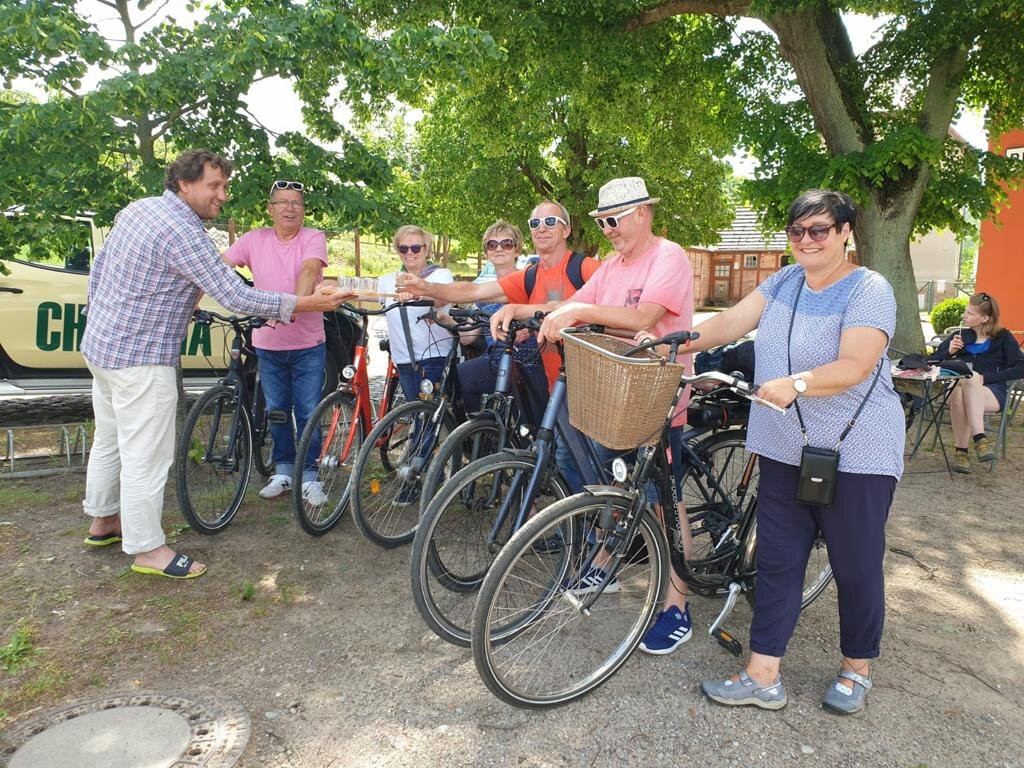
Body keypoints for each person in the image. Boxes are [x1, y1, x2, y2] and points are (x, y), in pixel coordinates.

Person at [80, 149, 350, 579]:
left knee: (111, 438)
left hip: (102, 347)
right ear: (185, 184)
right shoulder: (182, 230)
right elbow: (235, 294)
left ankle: (103, 521)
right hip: (141, 356)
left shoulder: (139, 210)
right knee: (145, 454)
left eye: (225, 185)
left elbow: (101, 269)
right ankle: (147, 548)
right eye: (215, 186)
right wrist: (303, 303)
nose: (223, 195)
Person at [688, 189, 904, 714]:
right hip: (784, 447)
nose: (806, 240)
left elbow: (855, 364)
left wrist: (797, 383)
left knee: (855, 565)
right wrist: (676, 341)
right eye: (797, 231)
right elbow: (730, 322)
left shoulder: (868, 289)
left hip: (857, 452)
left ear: (846, 232)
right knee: (779, 561)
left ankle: (857, 667)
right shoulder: (783, 281)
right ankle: (764, 675)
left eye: (819, 230)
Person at [535, 177, 695, 653]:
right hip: (620, 392)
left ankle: (676, 604)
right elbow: (573, 305)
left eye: (614, 219)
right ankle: (604, 562)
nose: (606, 229)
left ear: (643, 212)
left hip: (659, 393)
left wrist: (579, 308)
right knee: (619, 485)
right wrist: (526, 314)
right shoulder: (612, 264)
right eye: (601, 221)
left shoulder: (668, 256)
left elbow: (644, 317)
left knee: (666, 499)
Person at [399, 201, 601, 394]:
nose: (542, 228)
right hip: (552, 378)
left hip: (588, 379)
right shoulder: (529, 276)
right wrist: (425, 287)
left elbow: (610, 313)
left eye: (550, 222)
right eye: (535, 223)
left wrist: (520, 313)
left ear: (566, 230)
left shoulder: (585, 267)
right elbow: (473, 291)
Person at [222, 180, 330, 504]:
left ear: (303, 209)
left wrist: (290, 308)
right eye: (282, 202)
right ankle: (283, 470)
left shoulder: (313, 238)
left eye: (296, 202)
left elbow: (309, 271)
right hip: (267, 343)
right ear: (270, 209)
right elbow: (218, 267)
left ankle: (310, 477)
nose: (289, 208)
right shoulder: (254, 239)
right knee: (277, 410)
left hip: (308, 342)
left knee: (309, 410)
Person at [929, 292, 1024, 473]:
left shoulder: (1003, 338)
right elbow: (930, 362)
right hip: (956, 388)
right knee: (963, 382)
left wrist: (985, 378)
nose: (964, 316)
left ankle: (961, 452)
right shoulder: (960, 336)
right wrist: (948, 352)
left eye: (970, 313)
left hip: (991, 391)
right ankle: (980, 439)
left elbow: (1021, 367)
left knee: (969, 380)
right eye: (966, 311)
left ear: (985, 318)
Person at [378, 225, 454, 401]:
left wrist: (416, 294)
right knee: (414, 411)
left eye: (416, 248)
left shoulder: (440, 275)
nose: (409, 252)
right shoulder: (389, 280)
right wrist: (332, 287)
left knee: (426, 415)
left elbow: (442, 297)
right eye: (403, 248)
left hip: (434, 356)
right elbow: (362, 290)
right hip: (403, 359)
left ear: (427, 250)